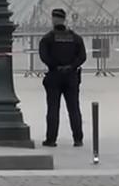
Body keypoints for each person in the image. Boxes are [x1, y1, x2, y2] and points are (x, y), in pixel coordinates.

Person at [39, 8, 86, 148]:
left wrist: (56, 66)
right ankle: (78, 139)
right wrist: (71, 67)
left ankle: (51, 139)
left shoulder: (47, 38)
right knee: (74, 109)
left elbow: (44, 57)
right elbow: (82, 57)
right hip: (71, 77)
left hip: (54, 76)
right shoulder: (76, 38)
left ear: (53, 19)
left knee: (53, 109)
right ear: (65, 19)